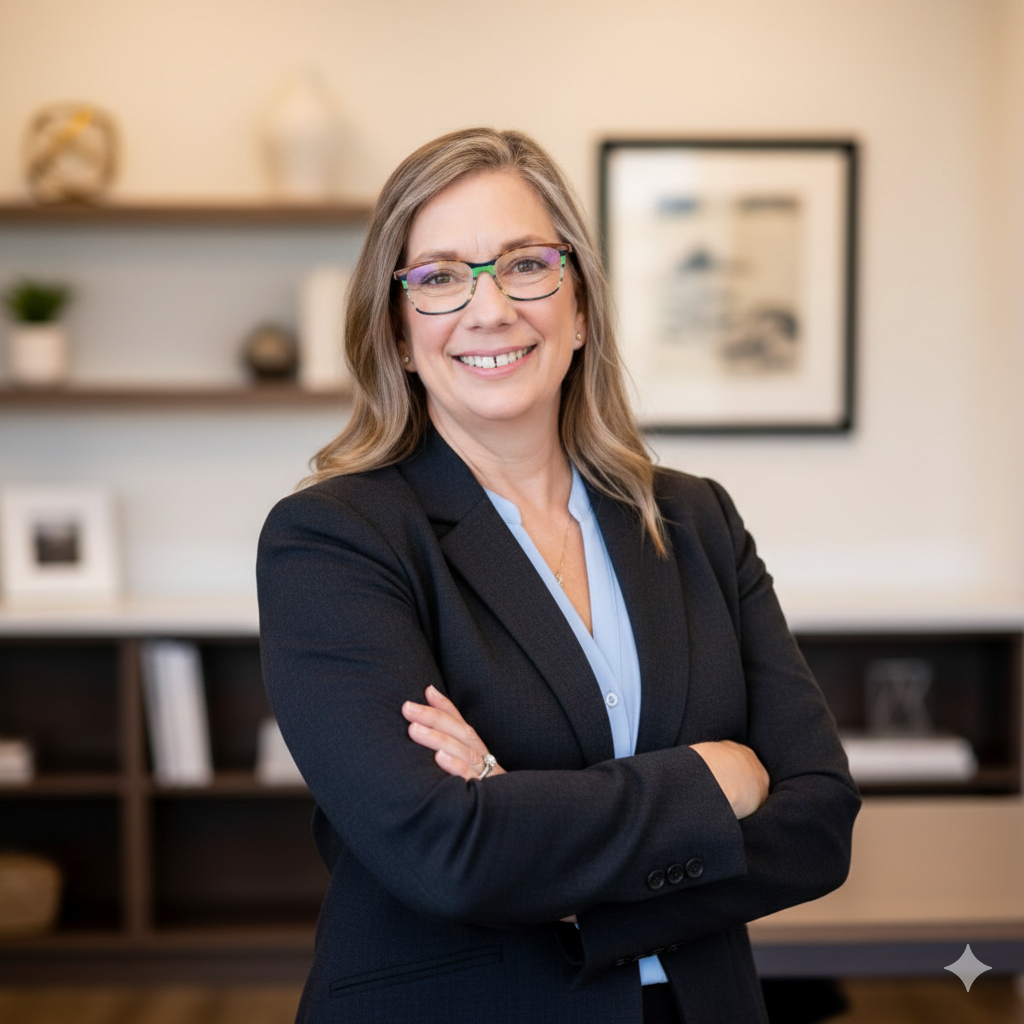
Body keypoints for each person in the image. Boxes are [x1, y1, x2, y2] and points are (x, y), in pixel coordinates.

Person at [256, 127, 860, 1024]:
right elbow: (445, 851)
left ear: (579, 310)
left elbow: (818, 823)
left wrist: (538, 836)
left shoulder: (696, 519)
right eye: (440, 277)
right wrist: (714, 779)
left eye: (526, 265)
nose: (490, 308)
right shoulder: (334, 539)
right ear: (398, 332)